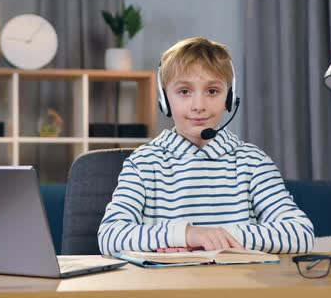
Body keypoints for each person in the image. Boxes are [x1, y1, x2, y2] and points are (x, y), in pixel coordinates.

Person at [98, 37, 314, 255]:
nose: (199, 106)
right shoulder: (143, 163)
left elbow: (300, 233)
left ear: (228, 98)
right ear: (165, 100)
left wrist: (214, 237)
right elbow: (110, 235)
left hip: (236, 288)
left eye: (212, 91)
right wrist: (186, 234)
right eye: (184, 92)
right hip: (166, 288)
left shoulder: (253, 162)